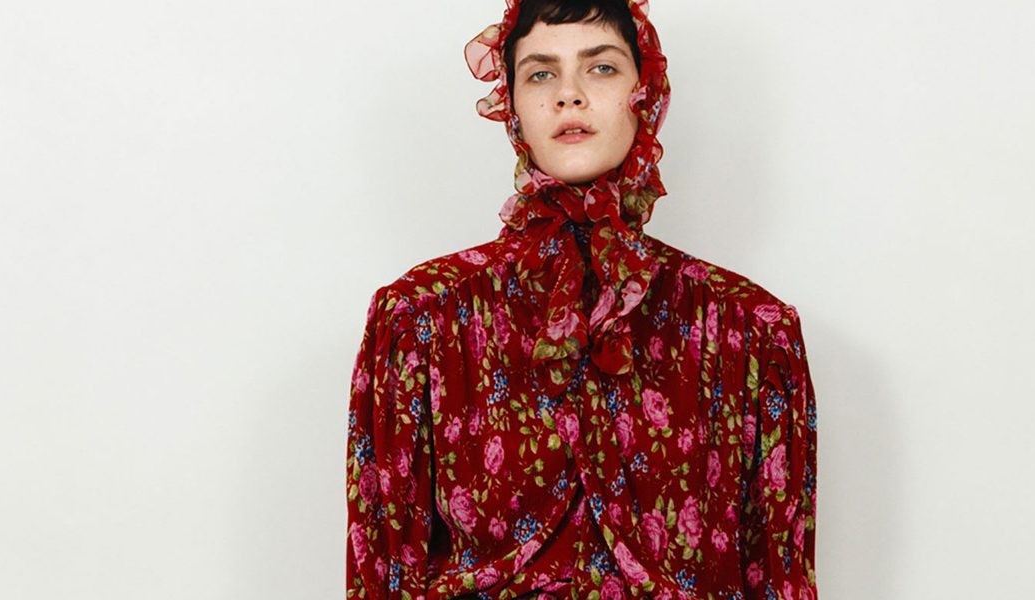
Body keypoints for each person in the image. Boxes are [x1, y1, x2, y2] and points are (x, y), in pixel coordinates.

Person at [345, 1, 819, 598]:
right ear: (512, 105)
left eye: (601, 68)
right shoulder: (421, 320)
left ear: (645, 93)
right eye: (540, 73)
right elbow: (385, 573)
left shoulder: (751, 334)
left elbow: (777, 578)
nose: (568, 94)